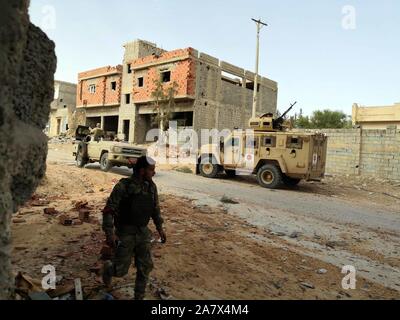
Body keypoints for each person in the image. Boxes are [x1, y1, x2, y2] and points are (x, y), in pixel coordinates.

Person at [101, 156, 167, 300]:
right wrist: (109, 233)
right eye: (151, 170)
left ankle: (139, 297)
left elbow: (155, 209)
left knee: (145, 267)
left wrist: (160, 228)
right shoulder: (124, 186)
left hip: (143, 232)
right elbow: (108, 210)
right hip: (126, 233)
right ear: (142, 171)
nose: (153, 173)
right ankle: (108, 269)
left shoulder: (151, 186)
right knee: (120, 270)